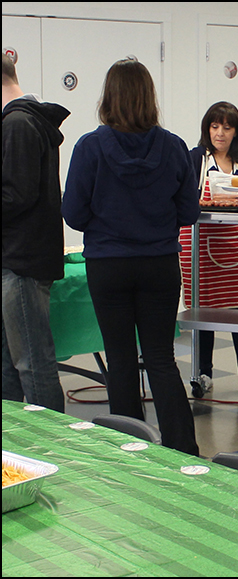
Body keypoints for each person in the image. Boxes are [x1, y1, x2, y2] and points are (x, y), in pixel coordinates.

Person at [61, 58, 200, 456]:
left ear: (109, 97)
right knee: (161, 358)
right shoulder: (173, 146)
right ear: (149, 98)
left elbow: (73, 214)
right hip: (159, 264)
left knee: (120, 360)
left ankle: (129, 451)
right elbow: (189, 212)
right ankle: (182, 448)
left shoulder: (89, 147)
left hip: (108, 265)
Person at [179, 101, 238, 399]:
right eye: (215, 126)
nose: (220, 133)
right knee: (204, 309)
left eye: (227, 127)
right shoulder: (195, 159)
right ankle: (204, 373)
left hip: (235, 246)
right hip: (199, 245)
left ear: (236, 132)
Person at [2, 53, 70, 413]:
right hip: (17, 258)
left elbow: (16, 194)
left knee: (32, 361)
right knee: (9, 363)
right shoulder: (23, 121)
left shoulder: (18, 123)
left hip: (21, 262)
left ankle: (54, 442)